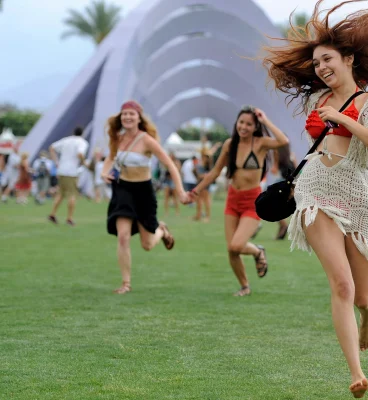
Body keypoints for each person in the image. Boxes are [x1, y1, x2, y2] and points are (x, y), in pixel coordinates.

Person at [262, 1, 368, 397]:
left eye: (327, 59)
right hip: (315, 193)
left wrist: (343, 119)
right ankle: (356, 372)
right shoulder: (318, 100)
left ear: (348, 59)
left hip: (359, 197)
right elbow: (321, 146)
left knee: (362, 296)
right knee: (342, 285)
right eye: (316, 63)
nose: (321, 67)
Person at [186, 106, 289, 296]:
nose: (244, 127)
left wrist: (265, 120)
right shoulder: (230, 144)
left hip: (252, 201)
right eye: (241, 122)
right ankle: (245, 286)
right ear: (236, 123)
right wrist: (195, 192)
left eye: (249, 124)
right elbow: (215, 172)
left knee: (236, 245)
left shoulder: (260, 143)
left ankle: (257, 251)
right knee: (231, 250)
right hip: (232, 199)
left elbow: (283, 141)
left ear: (255, 126)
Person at [101, 100, 187, 294]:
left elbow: (170, 165)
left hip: (143, 193)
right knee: (123, 236)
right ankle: (126, 283)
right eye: (124, 114)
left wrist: (180, 191)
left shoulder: (147, 140)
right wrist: (104, 172)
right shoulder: (117, 138)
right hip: (122, 189)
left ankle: (161, 231)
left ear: (139, 118)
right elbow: (110, 157)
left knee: (147, 245)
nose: (128, 117)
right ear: (120, 117)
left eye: (132, 114)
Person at [48, 126, 89, 225]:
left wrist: (56, 162)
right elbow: (80, 154)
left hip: (61, 169)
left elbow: (51, 148)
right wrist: (84, 163)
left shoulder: (66, 140)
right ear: (82, 133)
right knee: (72, 194)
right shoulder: (82, 142)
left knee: (60, 194)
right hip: (72, 171)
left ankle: (52, 214)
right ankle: (69, 218)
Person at [265, 144, 297, 239]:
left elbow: (274, 170)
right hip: (293, 183)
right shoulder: (291, 154)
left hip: (282, 182)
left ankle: (283, 225)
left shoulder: (276, 153)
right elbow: (296, 168)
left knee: (270, 204)